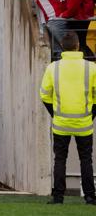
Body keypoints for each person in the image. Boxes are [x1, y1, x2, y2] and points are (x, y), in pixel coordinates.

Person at [40, 32, 96, 205]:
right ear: (78, 46)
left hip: (61, 123)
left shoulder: (53, 67)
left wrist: (55, 114)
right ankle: (90, 197)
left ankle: (58, 197)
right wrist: (91, 115)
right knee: (86, 159)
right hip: (84, 123)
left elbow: (44, 95)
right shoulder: (91, 67)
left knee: (60, 159)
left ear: (62, 47)